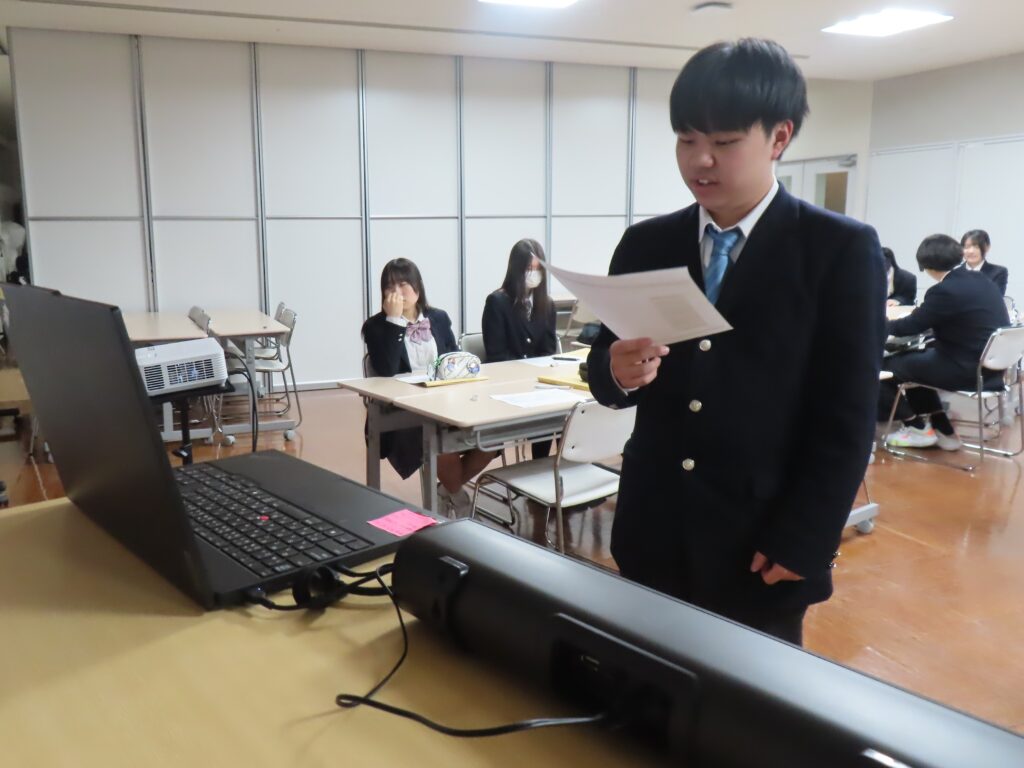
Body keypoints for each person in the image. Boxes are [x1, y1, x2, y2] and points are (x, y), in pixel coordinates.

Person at [586, 38, 886, 646]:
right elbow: (605, 374)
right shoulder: (646, 244)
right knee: (640, 676)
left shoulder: (837, 250)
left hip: (761, 541)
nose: (700, 161)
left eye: (724, 143)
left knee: (747, 694)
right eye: (686, 140)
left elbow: (847, 416)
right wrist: (615, 371)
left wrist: (806, 537)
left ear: (779, 138)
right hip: (652, 527)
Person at [361, 258, 494, 515]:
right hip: (403, 412)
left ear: (418, 287)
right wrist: (395, 322)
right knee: (439, 440)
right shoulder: (375, 327)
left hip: (447, 402)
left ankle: (447, 490)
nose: (397, 292)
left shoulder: (438, 318)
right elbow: (386, 370)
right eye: (389, 287)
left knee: (491, 437)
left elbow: (453, 360)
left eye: (403, 284)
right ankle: (455, 493)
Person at [882, 234, 1009, 450]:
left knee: (884, 366)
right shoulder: (981, 280)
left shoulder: (944, 290)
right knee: (916, 362)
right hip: (991, 370)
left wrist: (880, 324)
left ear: (925, 265)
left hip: (966, 371)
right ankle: (943, 429)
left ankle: (916, 427)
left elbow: (911, 326)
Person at [482, 238, 558, 459]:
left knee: (565, 413)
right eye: (528, 269)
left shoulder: (547, 304)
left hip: (539, 383)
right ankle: (540, 467)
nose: (533, 274)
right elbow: (497, 355)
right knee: (544, 413)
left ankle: (561, 468)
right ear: (516, 269)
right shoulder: (497, 302)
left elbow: (549, 350)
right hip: (508, 383)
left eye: (538, 269)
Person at [959, 229, 1008, 296]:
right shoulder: (954, 273)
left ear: (987, 248)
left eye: (976, 247)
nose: (971, 251)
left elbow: (995, 298)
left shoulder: (998, 272)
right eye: (967, 247)